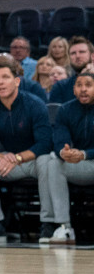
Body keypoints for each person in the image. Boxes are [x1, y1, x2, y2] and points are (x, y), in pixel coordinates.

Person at [0, 55, 63, 243]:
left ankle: (48, 223)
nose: (0, 82)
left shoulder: (35, 104)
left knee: (48, 162)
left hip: (30, 160)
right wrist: (1, 158)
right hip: (2, 161)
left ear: (17, 81)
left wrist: (18, 158)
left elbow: (44, 143)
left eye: (5, 77)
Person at [48, 71, 94, 244]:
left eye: (88, 85)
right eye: (79, 85)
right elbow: (59, 139)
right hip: (79, 163)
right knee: (54, 164)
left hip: (87, 158)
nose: (83, 89)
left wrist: (85, 154)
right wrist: (64, 152)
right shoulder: (65, 109)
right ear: (73, 89)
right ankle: (64, 227)